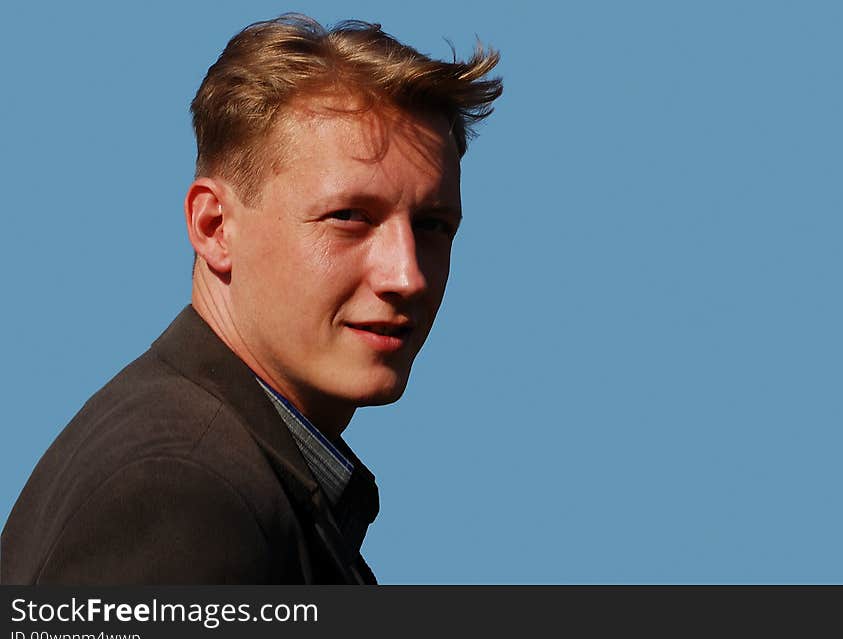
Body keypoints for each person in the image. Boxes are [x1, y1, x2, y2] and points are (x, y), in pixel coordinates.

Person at [1, 14, 502, 584]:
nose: (407, 276)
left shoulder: (244, 472)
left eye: (434, 226)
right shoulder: (183, 488)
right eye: (349, 218)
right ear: (215, 227)